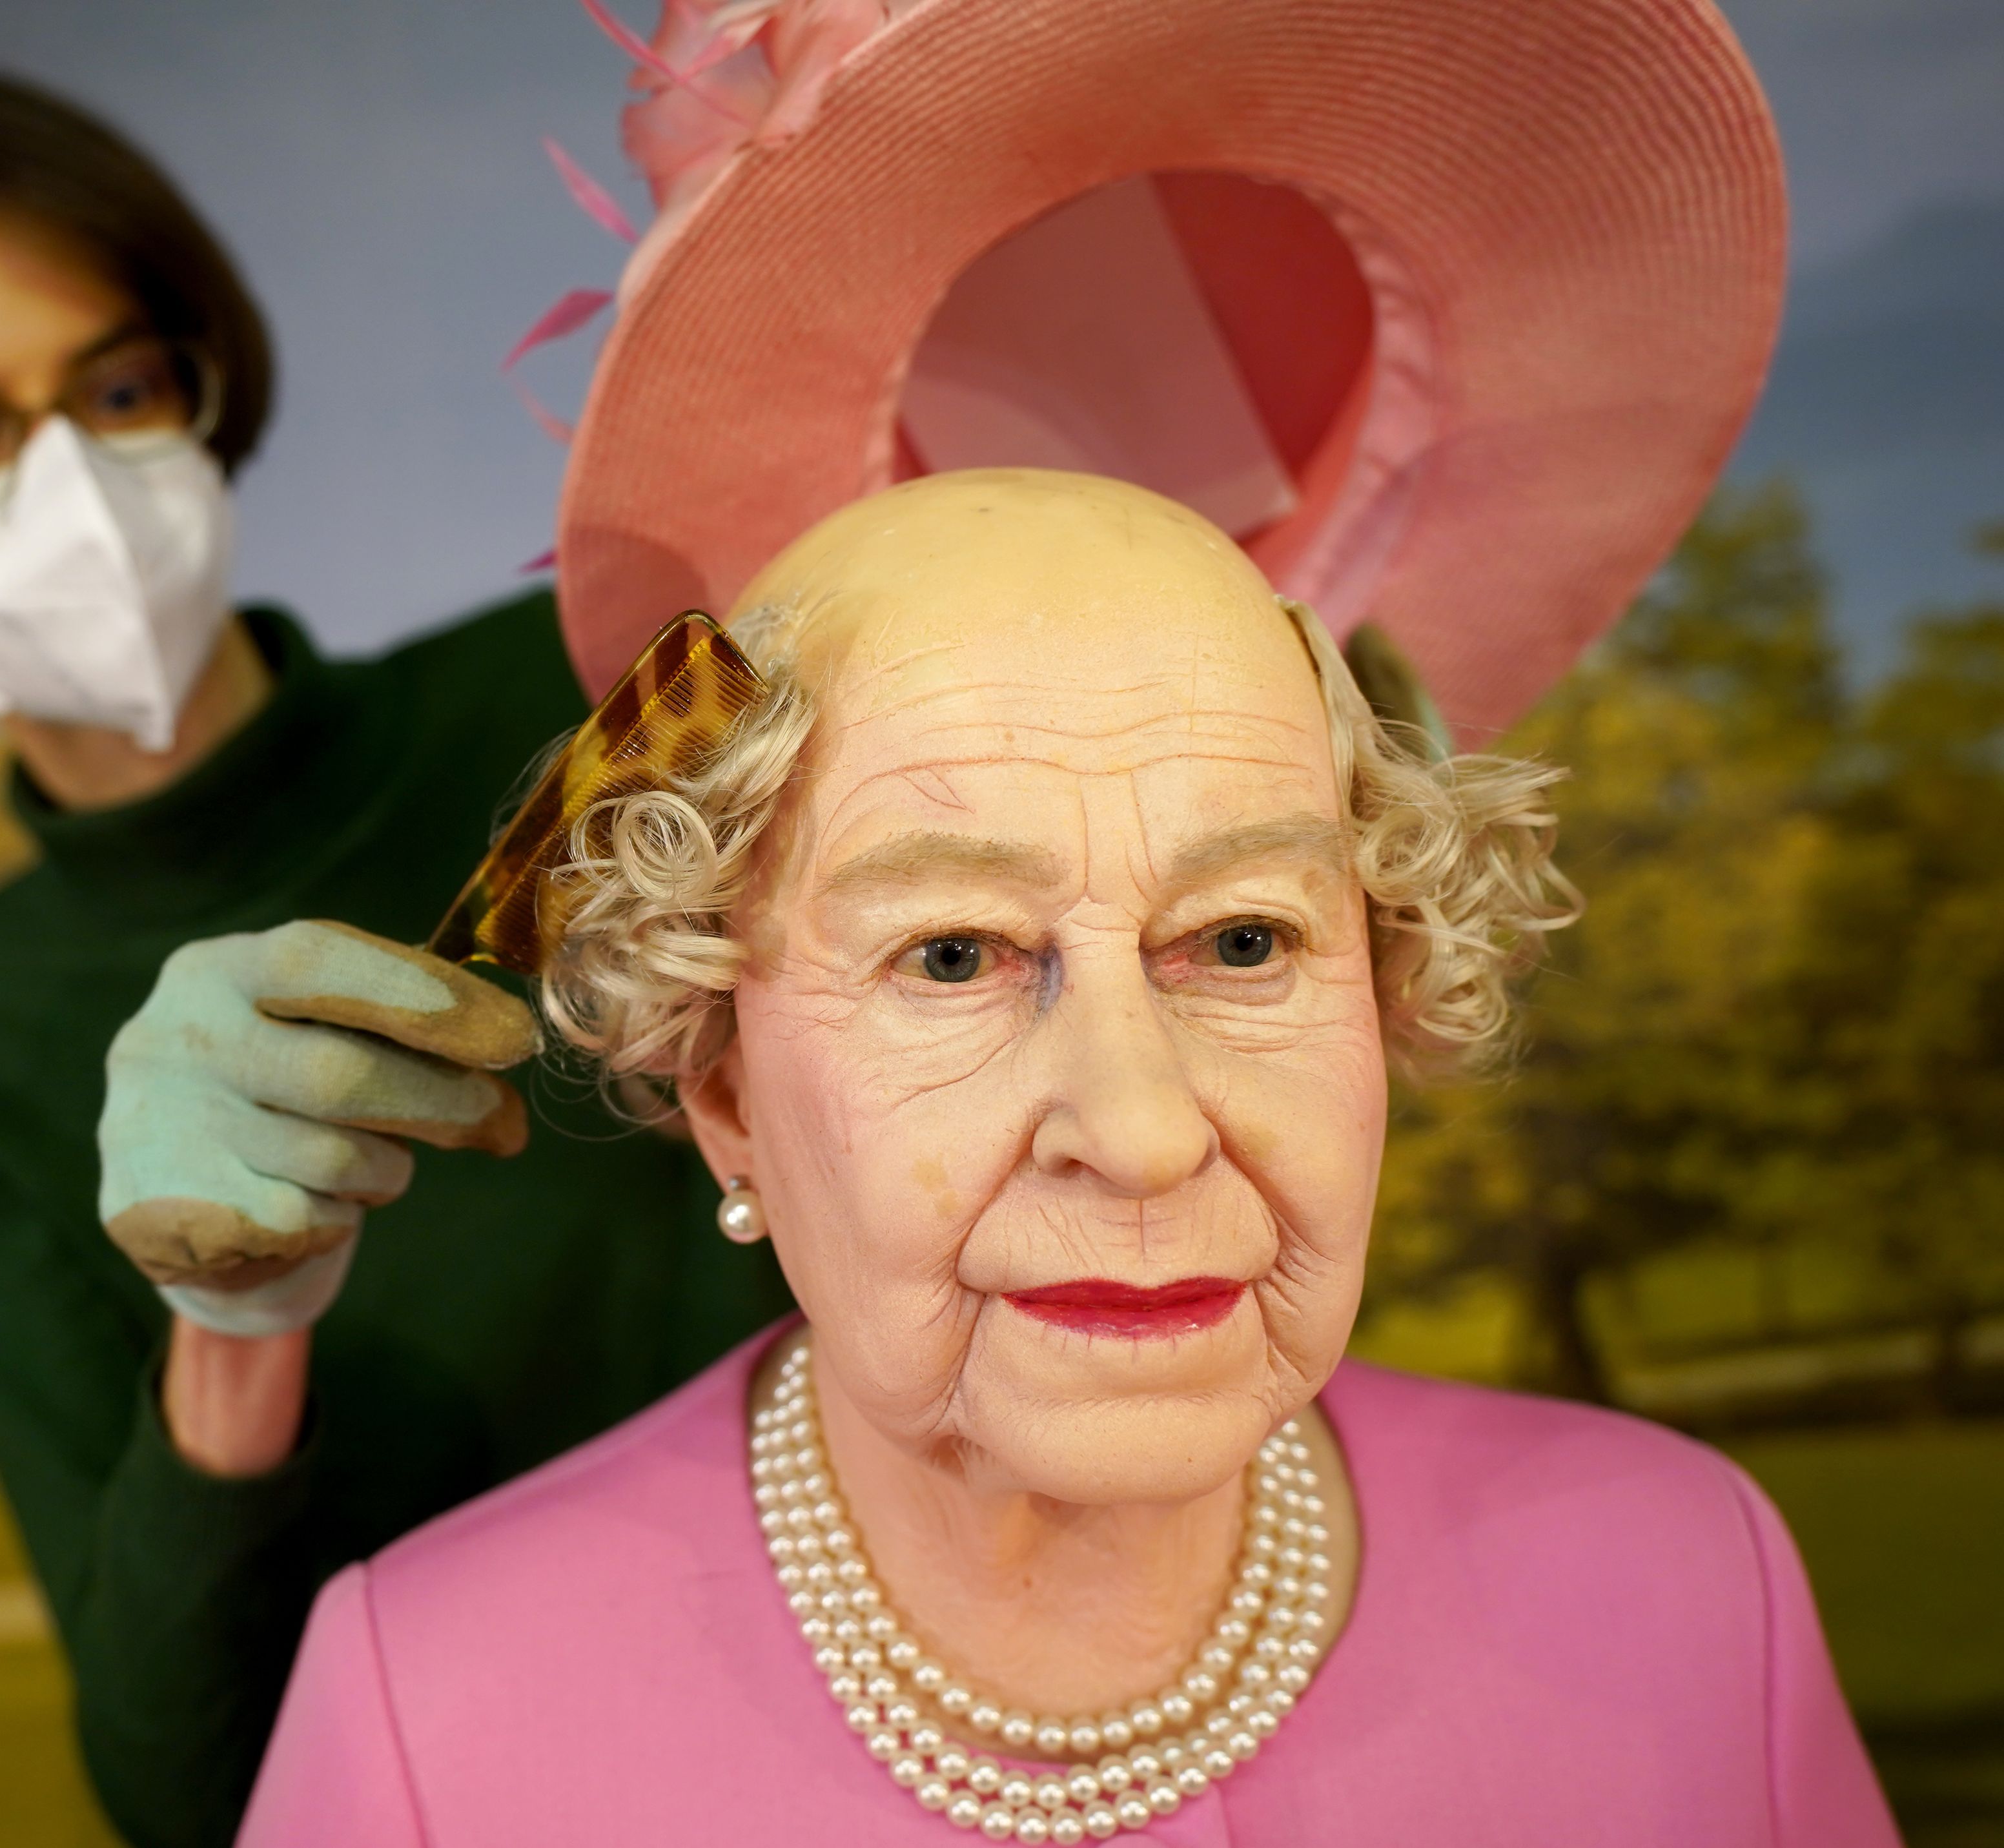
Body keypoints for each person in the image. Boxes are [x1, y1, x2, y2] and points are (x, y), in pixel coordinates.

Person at [246, 467, 1896, 1845]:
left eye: (1243, 940)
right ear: (726, 1088)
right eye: (953, 954)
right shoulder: (432, 1719)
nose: (1142, 1128)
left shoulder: (1686, 1585)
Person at [0, 65, 792, 1848]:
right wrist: (236, 1324)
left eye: (115, 390)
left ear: (197, 380)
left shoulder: (602, 681)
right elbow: (184, 1783)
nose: (74, 490)